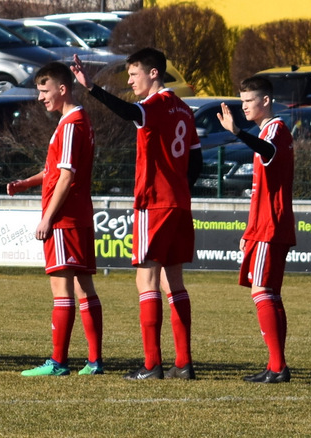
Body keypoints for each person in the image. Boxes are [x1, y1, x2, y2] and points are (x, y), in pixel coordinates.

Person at [71, 48, 202, 380]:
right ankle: (183, 363)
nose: (130, 81)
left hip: (154, 203)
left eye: (133, 74)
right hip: (179, 203)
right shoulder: (184, 109)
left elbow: (128, 111)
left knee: (146, 279)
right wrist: (179, 188)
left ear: (153, 73)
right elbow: (197, 161)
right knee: (174, 281)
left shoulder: (154, 105)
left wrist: (91, 88)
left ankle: (152, 364)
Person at [7, 62, 104, 376]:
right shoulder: (77, 121)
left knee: (62, 288)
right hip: (78, 215)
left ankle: (58, 362)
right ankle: (94, 361)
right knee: (83, 287)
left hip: (64, 219)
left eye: (44, 91)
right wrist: (27, 183)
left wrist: (47, 218)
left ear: (62, 89)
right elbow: (55, 170)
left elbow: (66, 176)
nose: (40, 98)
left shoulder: (71, 124)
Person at [216, 76, 294, 383]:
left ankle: (278, 367)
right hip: (266, 225)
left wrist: (237, 132)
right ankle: (276, 365)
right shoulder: (268, 130)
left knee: (261, 291)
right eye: (242, 101)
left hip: (270, 225)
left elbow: (267, 150)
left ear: (266, 101)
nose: (244, 106)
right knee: (269, 292)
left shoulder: (275, 129)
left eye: (249, 101)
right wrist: (248, 231)